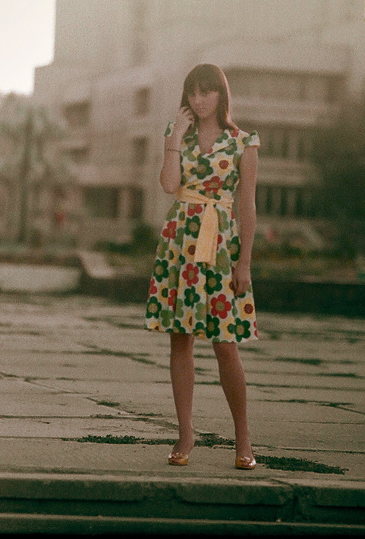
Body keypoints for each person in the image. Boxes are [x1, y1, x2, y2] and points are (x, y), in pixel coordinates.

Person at [144, 63, 260, 470]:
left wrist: (244, 263)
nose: (199, 99)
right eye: (193, 92)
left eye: (207, 91)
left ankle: (243, 437)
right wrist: (176, 137)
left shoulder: (244, 142)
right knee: (180, 340)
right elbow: (168, 185)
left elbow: (247, 206)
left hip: (221, 245)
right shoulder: (176, 134)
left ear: (221, 94)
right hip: (180, 243)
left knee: (225, 344)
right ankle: (185, 433)